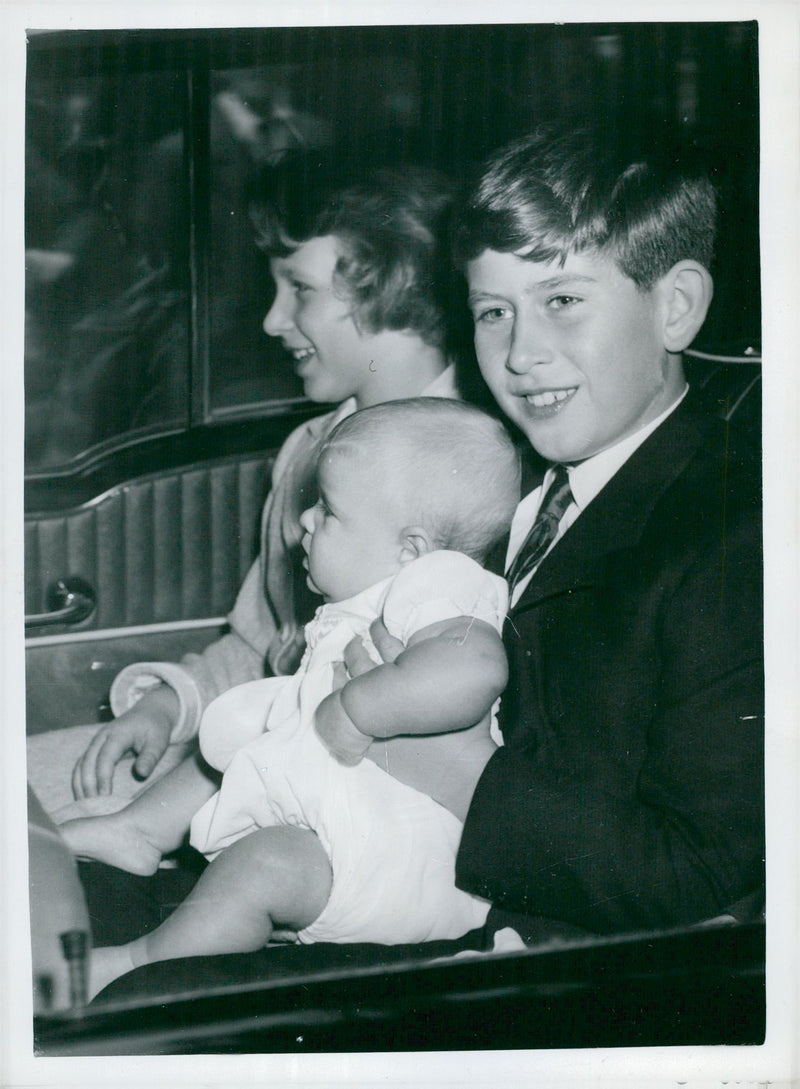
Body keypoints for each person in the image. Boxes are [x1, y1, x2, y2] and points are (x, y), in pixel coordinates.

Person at [27, 153, 466, 817]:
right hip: (252, 749)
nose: (271, 320)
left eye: (300, 290)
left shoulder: (480, 471)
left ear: (394, 283)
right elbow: (265, 648)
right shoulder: (306, 451)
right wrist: (166, 703)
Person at [59, 398, 520, 998]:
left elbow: (476, 669)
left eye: (328, 511)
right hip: (341, 816)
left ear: (411, 549)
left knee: (264, 866)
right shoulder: (383, 592)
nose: (305, 520)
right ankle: (139, 832)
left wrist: (358, 710)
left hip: (397, 857)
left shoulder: (440, 586)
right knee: (229, 747)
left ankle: (140, 963)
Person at [434, 127, 764, 940]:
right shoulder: (514, 479)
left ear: (677, 306)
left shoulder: (739, 538)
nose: (519, 353)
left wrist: (455, 774)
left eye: (563, 301)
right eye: (493, 312)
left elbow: (705, 876)